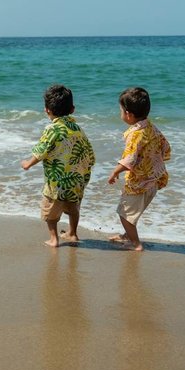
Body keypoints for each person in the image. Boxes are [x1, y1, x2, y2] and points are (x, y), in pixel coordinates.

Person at [21, 84, 96, 247]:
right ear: (73, 109)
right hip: (76, 180)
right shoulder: (78, 129)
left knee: (50, 212)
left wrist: (28, 163)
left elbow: (42, 150)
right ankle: (73, 233)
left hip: (56, 183)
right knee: (73, 208)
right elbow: (89, 154)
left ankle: (54, 239)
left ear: (47, 110)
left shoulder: (52, 129)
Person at [106, 87, 171, 251]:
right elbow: (165, 147)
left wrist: (115, 171)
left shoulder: (136, 134)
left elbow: (130, 159)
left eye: (120, 110)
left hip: (139, 184)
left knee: (125, 215)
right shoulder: (151, 127)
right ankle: (128, 235)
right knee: (132, 213)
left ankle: (136, 244)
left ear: (128, 114)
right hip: (153, 181)